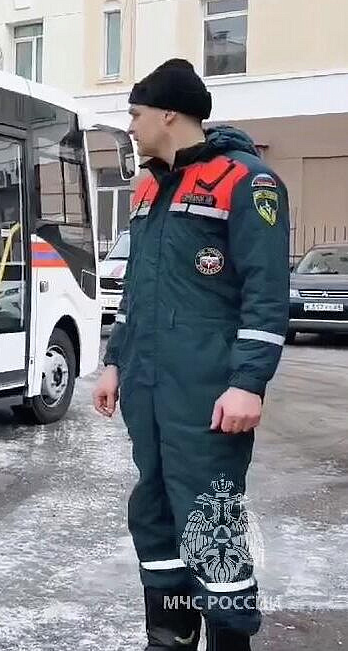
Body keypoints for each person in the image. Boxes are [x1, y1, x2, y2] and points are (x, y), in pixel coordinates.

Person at [92, 58, 289, 651]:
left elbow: (266, 293)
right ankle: (169, 636)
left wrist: (248, 382)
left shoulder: (247, 181)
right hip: (149, 389)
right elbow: (135, 289)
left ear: (169, 114)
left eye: (136, 113)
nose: (130, 125)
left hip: (207, 393)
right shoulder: (148, 187)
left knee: (211, 521)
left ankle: (230, 640)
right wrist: (114, 360)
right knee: (154, 512)